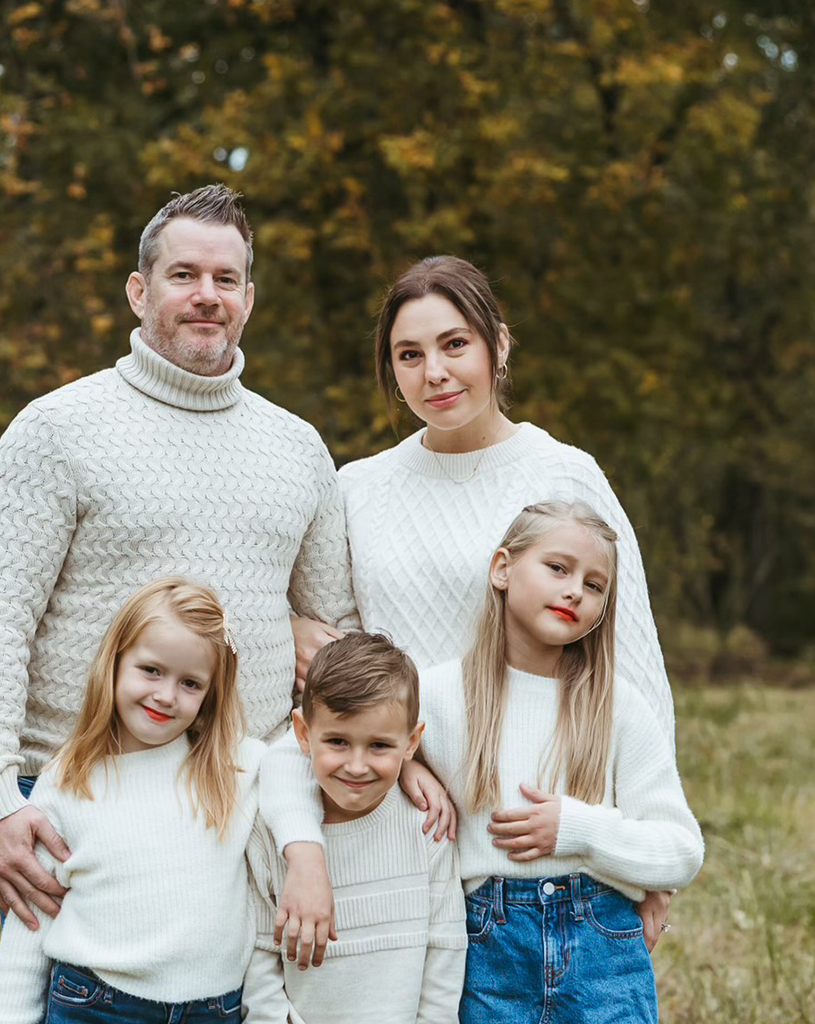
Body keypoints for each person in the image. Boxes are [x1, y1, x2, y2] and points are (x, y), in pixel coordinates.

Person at [0, 184, 356, 930]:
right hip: (77, 798)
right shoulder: (56, 430)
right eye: (183, 276)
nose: (207, 296)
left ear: (248, 298)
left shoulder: (299, 449)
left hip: (238, 804)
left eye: (225, 280)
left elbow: (335, 626)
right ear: (140, 291)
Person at [287, 254, 677, 954]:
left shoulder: (562, 472)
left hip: (538, 831)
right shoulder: (358, 489)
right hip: (399, 808)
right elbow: (341, 650)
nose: (434, 372)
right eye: (409, 354)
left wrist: (644, 860)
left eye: (454, 344)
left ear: (498, 345)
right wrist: (402, 756)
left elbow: (632, 658)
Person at [266, 502, 705, 1024]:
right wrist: (405, 764)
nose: (574, 592)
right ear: (502, 568)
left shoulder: (616, 706)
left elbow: (681, 850)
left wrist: (580, 831)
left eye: (595, 586)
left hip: (601, 944)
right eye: (558, 568)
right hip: (488, 946)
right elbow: (291, 755)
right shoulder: (442, 694)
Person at [0, 577, 264, 1024]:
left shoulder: (234, 768)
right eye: (151, 670)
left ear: (211, 695)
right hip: (98, 1004)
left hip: (215, 1010)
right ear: (114, 663)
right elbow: (29, 922)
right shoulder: (69, 778)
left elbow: (306, 763)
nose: (165, 695)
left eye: (190, 683)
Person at [243, 632, 465, 1024]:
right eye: (338, 742)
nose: (357, 766)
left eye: (379, 745)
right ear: (303, 733)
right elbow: (258, 957)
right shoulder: (272, 832)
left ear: (412, 741)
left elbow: (444, 957)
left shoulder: (426, 829)